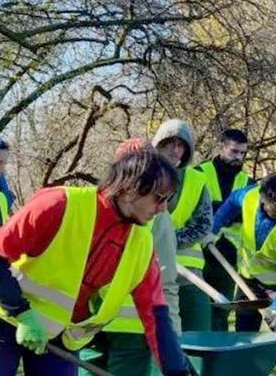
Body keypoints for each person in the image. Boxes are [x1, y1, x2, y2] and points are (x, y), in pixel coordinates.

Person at [0, 150, 193, 376]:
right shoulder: (59, 204)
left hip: (60, 338)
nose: (163, 208)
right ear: (130, 190)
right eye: (159, 198)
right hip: (2, 317)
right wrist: (22, 313)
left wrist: (176, 370)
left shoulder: (141, 245)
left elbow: (155, 314)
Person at [81, 137, 182, 376]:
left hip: (131, 327)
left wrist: (171, 331)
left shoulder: (157, 214)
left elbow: (164, 278)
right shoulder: (91, 207)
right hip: (86, 325)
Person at [210, 173, 276, 376]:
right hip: (248, 280)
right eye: (275, 210)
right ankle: (245, 372)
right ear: (263, 200)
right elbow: (230, 204)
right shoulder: (249, 196)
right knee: (245, 335)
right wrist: (213, 228)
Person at [153, 119, 213, 332]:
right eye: (171, 143)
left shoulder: (197, 180)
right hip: (149, 266)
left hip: (189, 274)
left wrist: (170, 242)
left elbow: (203, 224)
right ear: (159, 144)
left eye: (182, 146)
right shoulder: (142, 174)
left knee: (197, 330)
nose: (176, 150)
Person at [196, 129, 253, 331]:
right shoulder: (199, 174)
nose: (238, 157)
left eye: (242, 153)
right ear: (221, 147)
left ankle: (218, 353)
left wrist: (216, 208)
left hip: (228, 257)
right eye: (234, 151)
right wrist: (227, 211)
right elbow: (194, 208)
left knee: (221, 309)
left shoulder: (247, 182)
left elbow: (249, 214)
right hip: (199, 253)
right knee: (197, 309)